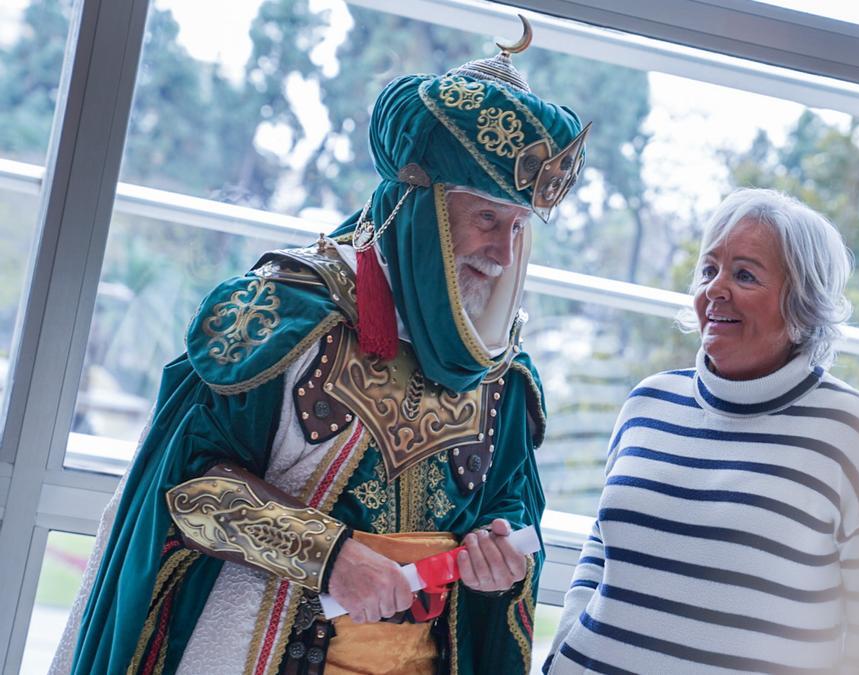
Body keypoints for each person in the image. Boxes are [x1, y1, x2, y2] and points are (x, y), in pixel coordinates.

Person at [51, 20, 589, 675]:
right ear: (423, 209)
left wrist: (499, 550)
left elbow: (510, 501)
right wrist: (329, 555)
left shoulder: (505, 373)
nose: (504, 255)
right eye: (485, 219)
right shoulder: (283, 314)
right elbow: (187, 490)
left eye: (517, 228)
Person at [544, 188, 859, 673]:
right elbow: (601, 549)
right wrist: (562, 650)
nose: (715, 288)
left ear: (803, 302)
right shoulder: (648, 402)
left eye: (744, 274)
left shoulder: (850, 432)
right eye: (709, 270)